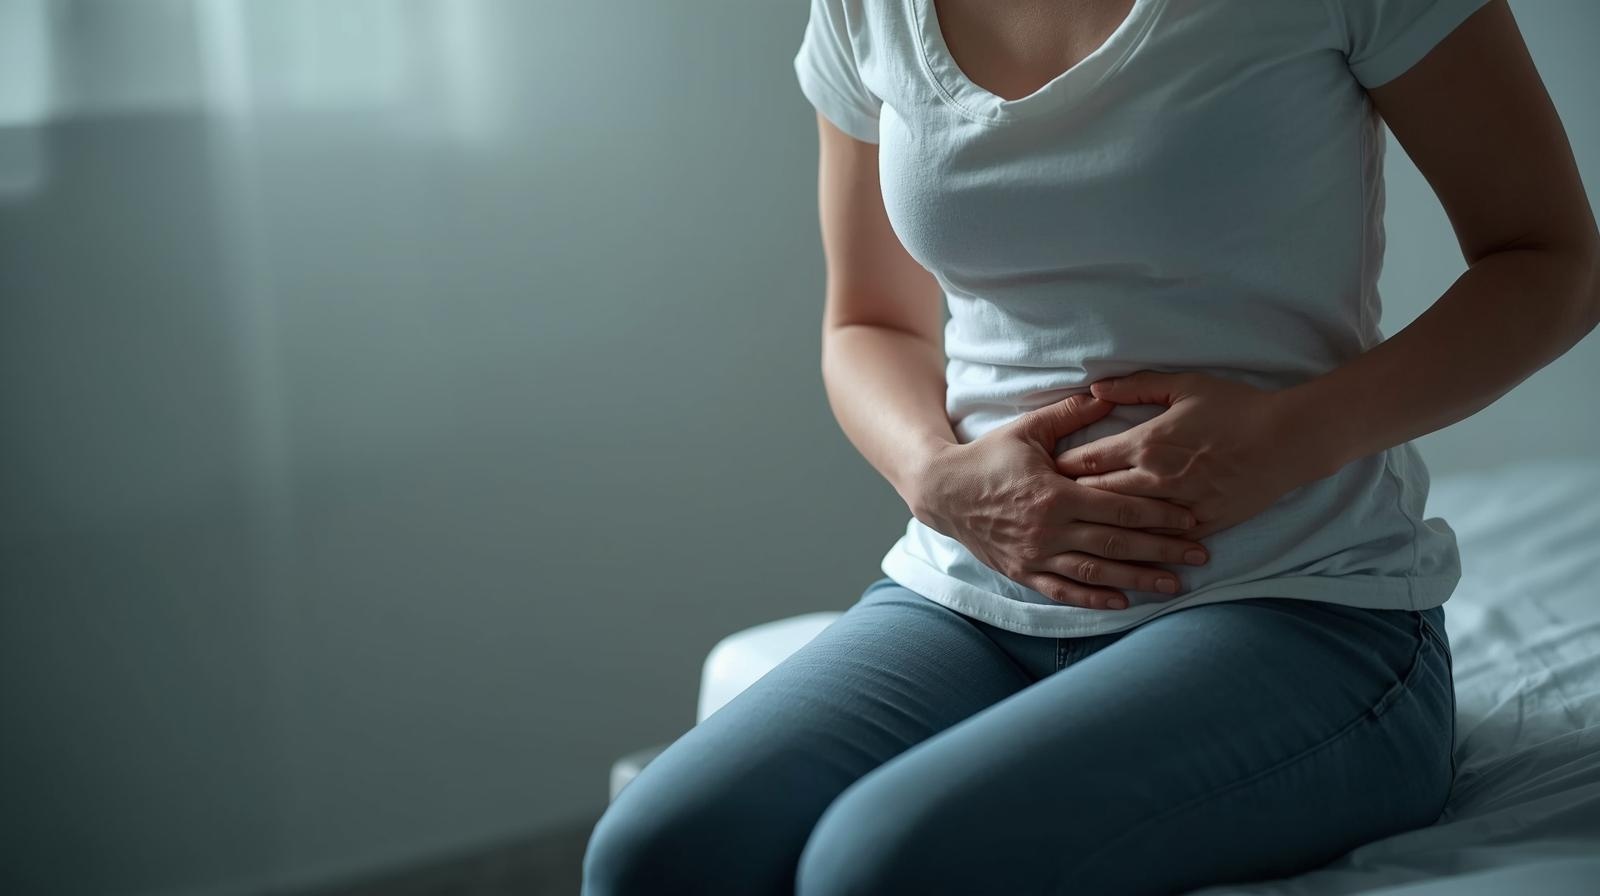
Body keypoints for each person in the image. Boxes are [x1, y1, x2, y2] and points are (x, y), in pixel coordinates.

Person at [583, 0, 1600, 892]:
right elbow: (867, 323)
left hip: (1298, 602)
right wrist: (936, 478)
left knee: (882, 863)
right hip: (970, 592)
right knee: (656, 853)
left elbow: (1552, 260)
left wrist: (1291, 435)